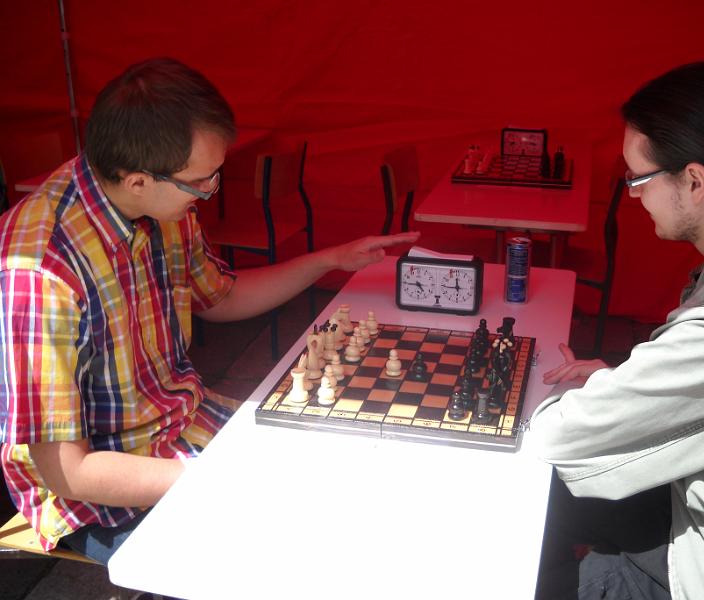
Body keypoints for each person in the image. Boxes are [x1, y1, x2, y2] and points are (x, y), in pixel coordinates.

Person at [0, 57, 419, 565]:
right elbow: (68, 472)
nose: (208, 193)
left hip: (186, 427)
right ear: (138, 181)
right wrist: (222, 476)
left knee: (345, 488)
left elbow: (222, 297)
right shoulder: (41, 272)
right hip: (100, 498)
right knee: (285, 557)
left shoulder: (161, 201)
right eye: (201, 182)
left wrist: (329, 259)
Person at [532, 62, 704, 599]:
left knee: (526, 566)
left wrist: (587, 397)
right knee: (545, 512)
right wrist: (621, 382)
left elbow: (559, 436)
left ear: (695, 181)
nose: (633, 195)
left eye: (637, 179)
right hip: (700, 495)